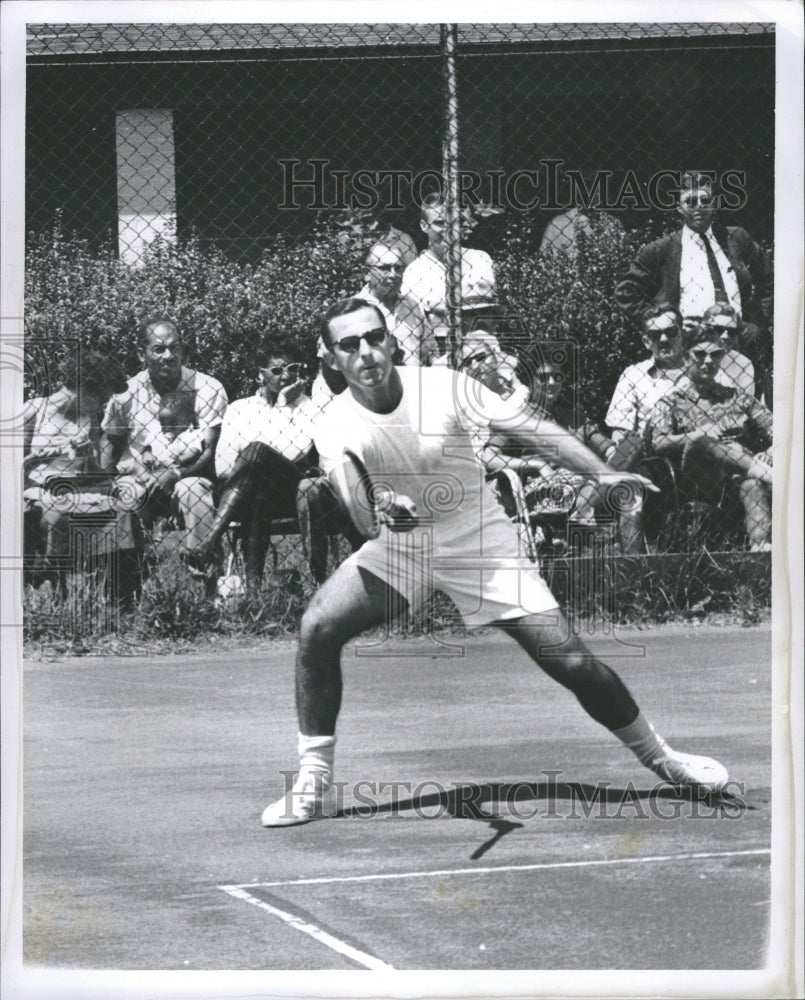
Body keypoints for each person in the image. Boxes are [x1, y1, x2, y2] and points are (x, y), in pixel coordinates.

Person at [260, 297, 729, 827]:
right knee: (318, 627)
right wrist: (385, 511)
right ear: (330, 358)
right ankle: (315, 784)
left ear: (391, 340)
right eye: (350, 345)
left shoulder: (442, 385)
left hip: (480, 543)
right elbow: (360, 509)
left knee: (571, 662)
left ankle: (661, 758)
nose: (366, 353)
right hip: (403, 548)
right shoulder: (336, 423)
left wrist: (601, 474)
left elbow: (534, 429)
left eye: (374, 338)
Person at [480, 350, 644, 554]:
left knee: (634, 451)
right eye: (543, 377)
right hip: (548, 488)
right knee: (625, 485)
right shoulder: (516, 417)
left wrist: (616, 458)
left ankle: (632, 564)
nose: (551, 382)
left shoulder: (574, 416)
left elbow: (610, 450)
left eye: (557, 376)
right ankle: (591, 520)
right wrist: (537, 464)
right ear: (530, 380)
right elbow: (489, 456)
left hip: (590, 481)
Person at [182, 346, 320, 587]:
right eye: (277, 370)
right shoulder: (239, 408)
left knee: (256, 450)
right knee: (257, 484)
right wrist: (253, 466)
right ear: (260, 374)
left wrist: (282, 405)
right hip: (250, 493)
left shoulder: (308, 407)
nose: (286, 376)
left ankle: (209, 541)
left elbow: (292, 451)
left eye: (293, 369)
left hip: (288, 491)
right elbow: (222, 466)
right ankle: (253, 592)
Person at [100, 319, 228, 550]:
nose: (168, 355)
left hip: (189, 474)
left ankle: (203, 563)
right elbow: (111, 444)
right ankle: (129, 574)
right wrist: (107, 482)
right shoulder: (126, 394)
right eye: (159, 349)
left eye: (174, 347)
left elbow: (212, 450)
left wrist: (175, 473)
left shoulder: (208, 388)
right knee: (127, 493)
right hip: (139, 476)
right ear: (142, 354)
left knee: (193, 490)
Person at [647, 327, 773, 552]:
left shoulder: (738, 398)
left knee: (752, 485)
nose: (709, 361)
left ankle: (760, 548)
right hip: (700, 478)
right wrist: (694, 435)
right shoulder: (671, 403)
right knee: (702, 442)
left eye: (715, 355)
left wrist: (770, 452)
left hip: (738, 476)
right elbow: (658, 443)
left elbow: (780, 431)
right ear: (686, 359)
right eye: (700, 355)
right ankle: (767, 473)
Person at [614, 173, 772, 347]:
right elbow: (626, 292)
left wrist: (757, 322)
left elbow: (769, 279)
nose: (699, 207)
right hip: (689, 344)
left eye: (705, 200)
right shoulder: (661, 249)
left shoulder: (736, 238)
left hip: (735, 339)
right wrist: (663, 323)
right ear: (679, 207)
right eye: (690, 201)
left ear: (714, 204)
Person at [24, 349, 129, 567]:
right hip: (35, 490)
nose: (102, 406)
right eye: (102, 399)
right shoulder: (34, 411)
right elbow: (10, 469)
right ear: (84, 389)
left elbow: (93, 471)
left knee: (124, 512)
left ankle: (116, 586)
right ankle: (54, 581)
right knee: (57, 516)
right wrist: (47, 455)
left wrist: (90, 454)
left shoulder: (89, 418)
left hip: (78, 490)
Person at [400, 194, 496, 357]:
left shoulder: (480, 259)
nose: (448, 230)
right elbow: (414, 330)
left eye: (454, 222)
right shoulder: (414, 273)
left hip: (485, 348)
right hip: (441, 353)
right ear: (424, 225)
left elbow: (489, 313)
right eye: (439, 223)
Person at [605, 303, 687, 469]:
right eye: (655, 334)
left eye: (671, 332)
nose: (664, 339)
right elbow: (620, 432)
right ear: (646, 341)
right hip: (650, 460)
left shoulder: (704, 369)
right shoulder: (633, 375)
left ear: (682, 334)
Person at [698, 303, 755, 397]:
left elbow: (746, 404)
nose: (725, 336)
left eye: (732, 331)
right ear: (705, 329)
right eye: (719, 329)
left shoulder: (743, 364)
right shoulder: (692, 357)